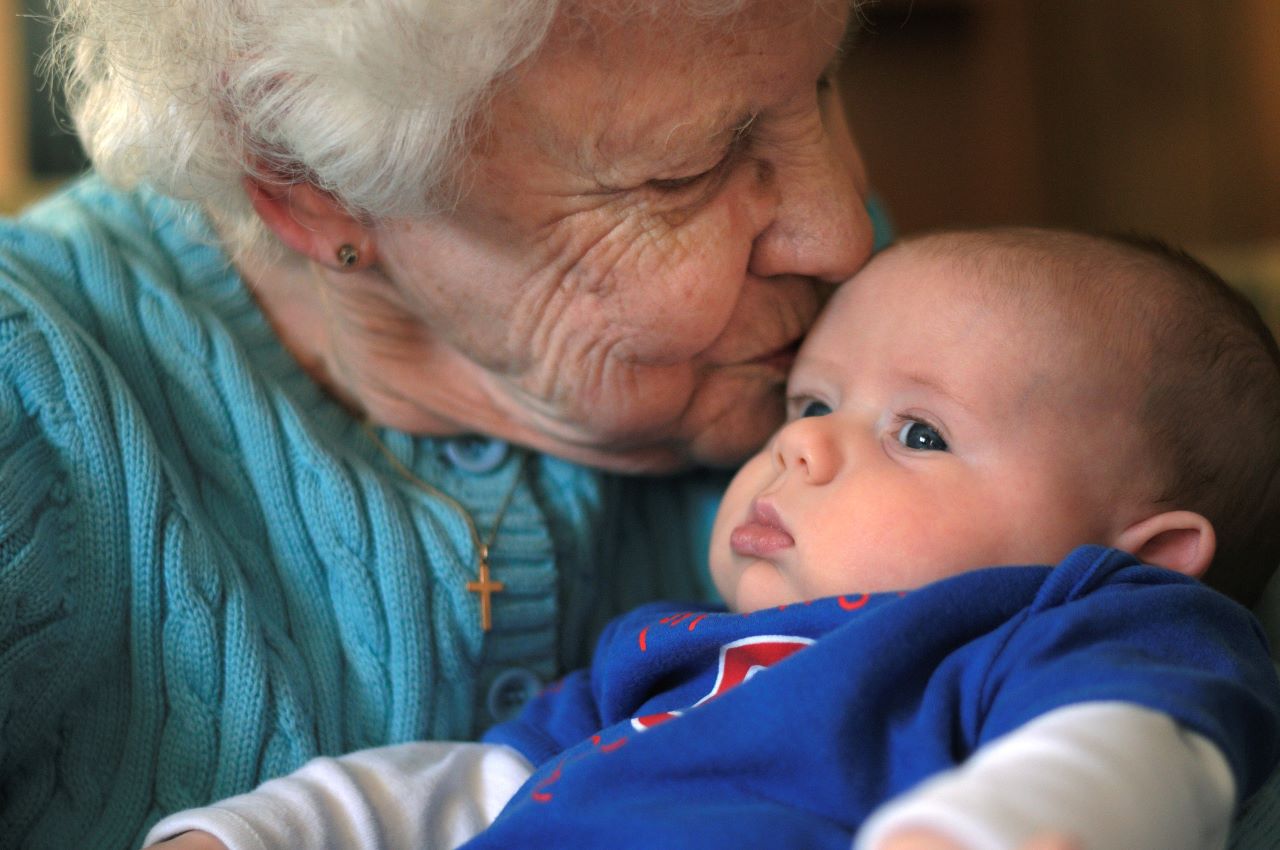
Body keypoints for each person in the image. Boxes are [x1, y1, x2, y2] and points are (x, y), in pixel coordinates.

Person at [0, 1, 889, 847]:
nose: (844, 234)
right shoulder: (28, 400)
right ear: (314, 190)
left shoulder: (884, 348)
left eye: (820, 89)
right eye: (685, 172)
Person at [140, 227, 1280, 850]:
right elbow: (478, 788)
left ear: (1142, 558)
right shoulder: (664, 663)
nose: (804, 450)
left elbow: (1141, 742)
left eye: (918, 430)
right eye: (809, 403)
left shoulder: (1056, 630)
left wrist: (991, 829)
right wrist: (269, 832)